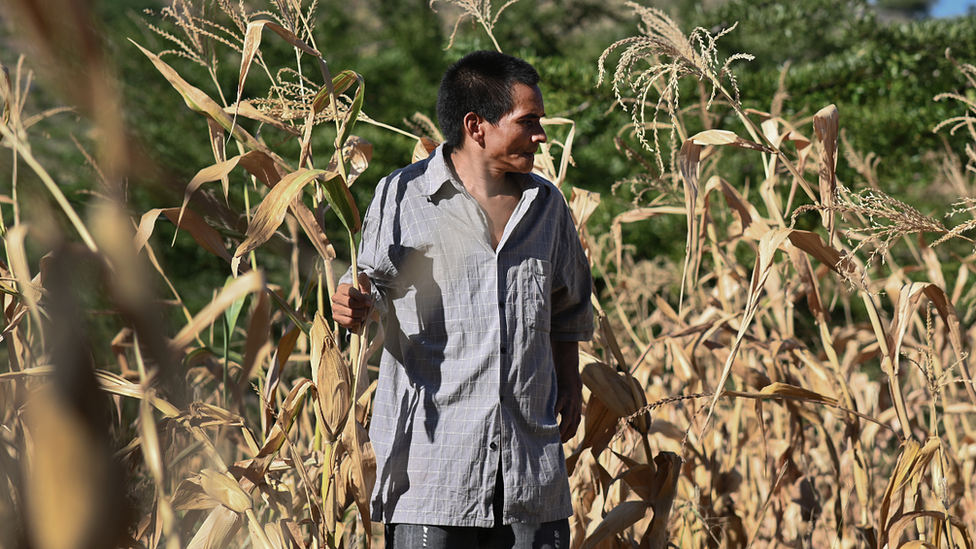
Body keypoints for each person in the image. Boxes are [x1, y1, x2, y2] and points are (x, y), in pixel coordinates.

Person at [331, 50, 593, 549]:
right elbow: (370, 290)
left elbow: (568, 307)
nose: (541, 135)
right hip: (434, 477)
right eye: (528, 121)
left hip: (530, 478)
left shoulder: (547, 207)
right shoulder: (402, 198)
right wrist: (354, 305)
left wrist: (570, 377)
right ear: (476, 125)